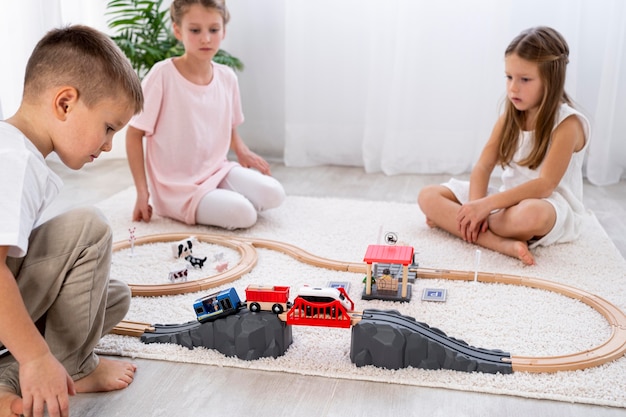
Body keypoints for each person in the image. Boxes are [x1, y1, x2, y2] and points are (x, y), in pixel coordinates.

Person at [0, 25, 144, 417]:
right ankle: (68, 367)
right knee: (89, 229)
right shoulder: (14, 161)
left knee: (112, 296)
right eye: (109, 127)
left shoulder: (13, 149)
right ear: (65, 103)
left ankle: (9, 378)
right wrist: (34, 358)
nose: (108, 144)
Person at [418, 26, 590, 266]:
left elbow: (544, 185)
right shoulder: (511, 116)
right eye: (509, 77)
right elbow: (483, 166)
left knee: (531, 214)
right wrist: (473, 207)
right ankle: (499, 243)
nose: (513, 88)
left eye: (525, 80)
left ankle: (458, 225)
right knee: (428, 196)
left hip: (546, 206)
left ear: (551, 79)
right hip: (502, 204)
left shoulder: (568, 124)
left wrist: (483, 209)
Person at [126, 0, 285, 229]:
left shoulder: (227, 77)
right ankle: (213, 202)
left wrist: (241, 150)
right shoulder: (163, 75)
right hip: (177, 187)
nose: (206, 38)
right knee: (244, 215)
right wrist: (143, 193)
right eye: (195, 30)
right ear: (178, 30)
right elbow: (134, 133)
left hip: (217, 170)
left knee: (274, 193)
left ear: (224, 31)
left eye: (213, 29)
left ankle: (220, 199)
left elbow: (228, 124)